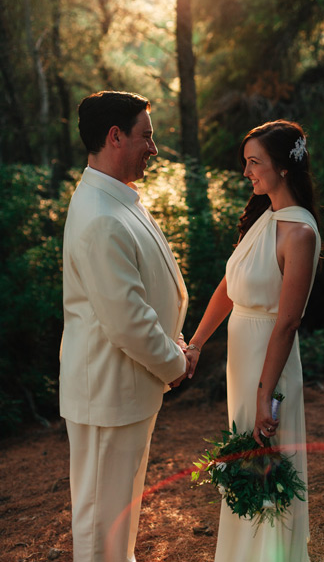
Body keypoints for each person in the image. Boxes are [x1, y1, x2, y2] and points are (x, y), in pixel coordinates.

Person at [60, 91, 193, 562]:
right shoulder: (99, 216)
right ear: (115, 137)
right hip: (107, 395)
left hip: (128, 390)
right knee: (101, 531)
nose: (153, 148)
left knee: (119, 526)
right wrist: (175, 361)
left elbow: (143, 294)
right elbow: (127, 320)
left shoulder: (117, 199)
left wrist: (173, 340)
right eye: (147, 136)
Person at [185, 120, 321, 562]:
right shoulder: (263, 219)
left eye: (254, 163)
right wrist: (198, 342)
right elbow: (229, 286)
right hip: (239, 364)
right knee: (245, 464)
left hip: (270, 364)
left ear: (283, 168)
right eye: (246, 162)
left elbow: (287, 323)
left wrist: (267, 395)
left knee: (269, 464)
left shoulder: (299, 232)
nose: (247, 172)